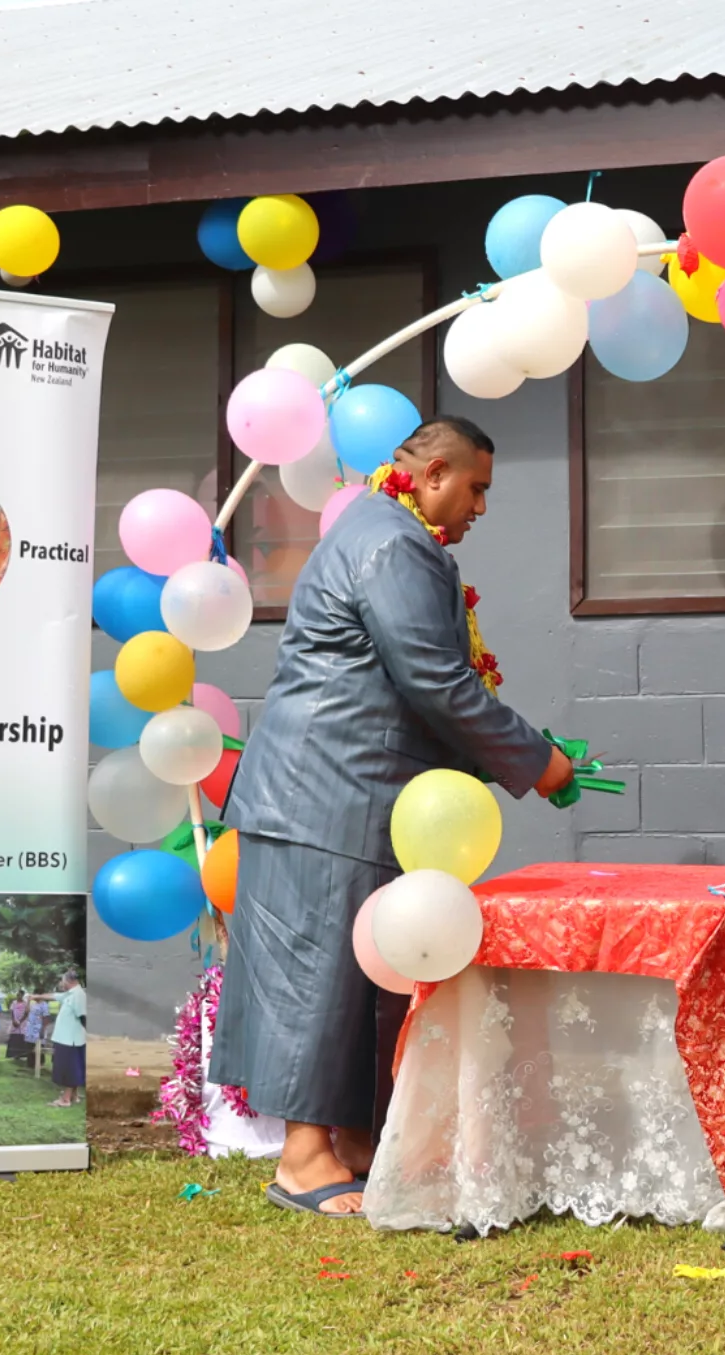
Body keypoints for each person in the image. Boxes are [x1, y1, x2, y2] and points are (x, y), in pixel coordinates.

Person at [212, 416, 575, 1217]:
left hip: (349, 791)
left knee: (351, 978)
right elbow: (435, 678)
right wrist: (536, 758)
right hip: (326, 789)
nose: (481, 507)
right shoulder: (394, 542)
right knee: (318, 978)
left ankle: (348, 1144)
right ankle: (304, 1160)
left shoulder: (383, 532)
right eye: (476, 487)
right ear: (436, 472)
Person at [48, 971, 87, 1108]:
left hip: (71, 1040)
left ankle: (65, 1099)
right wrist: (35, 996)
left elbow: (83, 1017)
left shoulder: (78, 995)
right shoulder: (70, 994)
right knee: (73, 1068)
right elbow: (54, 996)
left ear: (68, 981)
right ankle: (73, 1095)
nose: (61, 983)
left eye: (62, 980)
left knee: (69, 1070)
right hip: (66, 1038)